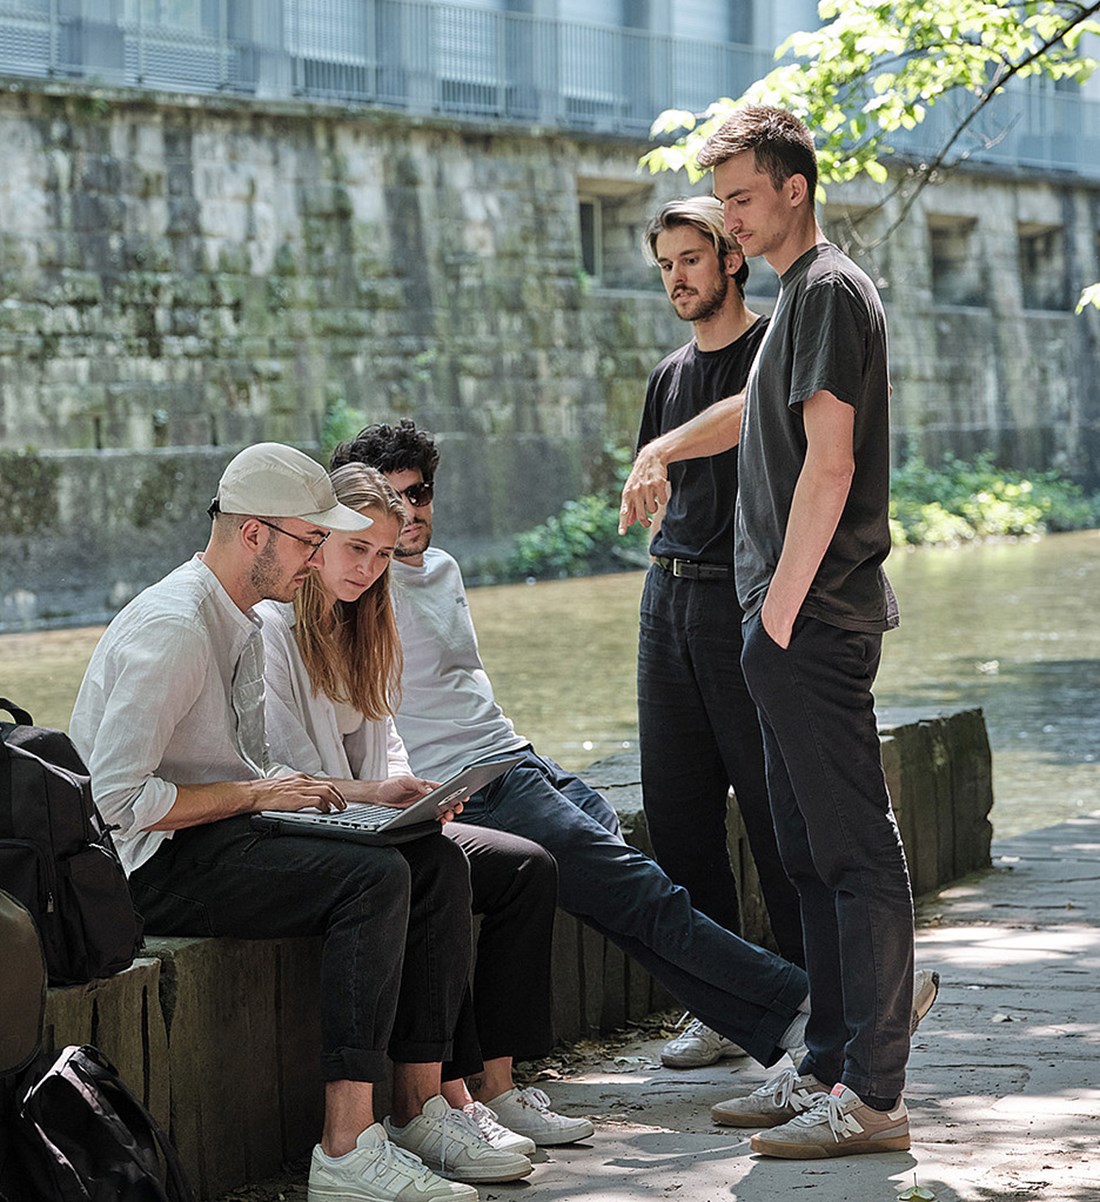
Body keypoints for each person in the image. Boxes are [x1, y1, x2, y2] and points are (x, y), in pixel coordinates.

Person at [69, 442, 492, 1202]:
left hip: (209, 836)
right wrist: (257, 799)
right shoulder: (175, 627)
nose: (319, 556)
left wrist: (368, 798)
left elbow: (245, 776)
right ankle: (345, 1149)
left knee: (433, 860)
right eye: (310, 539)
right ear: (254, 534)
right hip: (145, 869)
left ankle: (420, 1109)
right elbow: (113, 805)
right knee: (375, 878)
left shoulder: (238, 615)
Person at [329, 420, 818, 1072]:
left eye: (418, 495)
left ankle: (768, 1025)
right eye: (391, 503)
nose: (408, 514)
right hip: (465, 787)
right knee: (640, 893)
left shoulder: (442, 569)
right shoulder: (363, 586)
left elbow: (462, 691)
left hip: (517, 760)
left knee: (622, 896)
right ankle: (807, 1007)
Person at [622, 104, 922, 1159]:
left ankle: (872, 1095)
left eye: (742, 197)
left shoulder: (831, 290)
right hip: (777, 620)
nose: (732, 220)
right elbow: (750, 418)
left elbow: (829, 464)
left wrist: (777, 615)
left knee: (851, 856)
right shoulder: (799, 298)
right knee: (802, 855)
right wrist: (660, 445)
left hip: (811, 620)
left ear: (793, 186)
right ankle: (830, 1065)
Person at [256, 462, 594, 1153]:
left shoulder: (368, 622)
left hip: (373, 818)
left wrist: (417, 793)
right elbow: (285, 773)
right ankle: (440, 1097)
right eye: (357, 549)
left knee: (526, 868)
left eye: (383, 555)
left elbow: (390, 739)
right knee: (433, 867)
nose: (369, 569)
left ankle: (495, 1086)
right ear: (319, 541)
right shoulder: (272, 629)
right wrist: (378, 799)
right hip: (312, 823)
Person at [624, 197, 805, 1073]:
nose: (677, 278)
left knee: (774, 814)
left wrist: (661, 451)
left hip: (745, 604)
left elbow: (747, 417)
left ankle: (816, 1001)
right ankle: (721, 1003)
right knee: (677, 814)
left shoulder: (774, 343)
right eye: (664, 265)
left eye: (690, 259)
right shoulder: (666, 376)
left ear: (732, 258)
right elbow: (663, 485)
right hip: (668, 601)